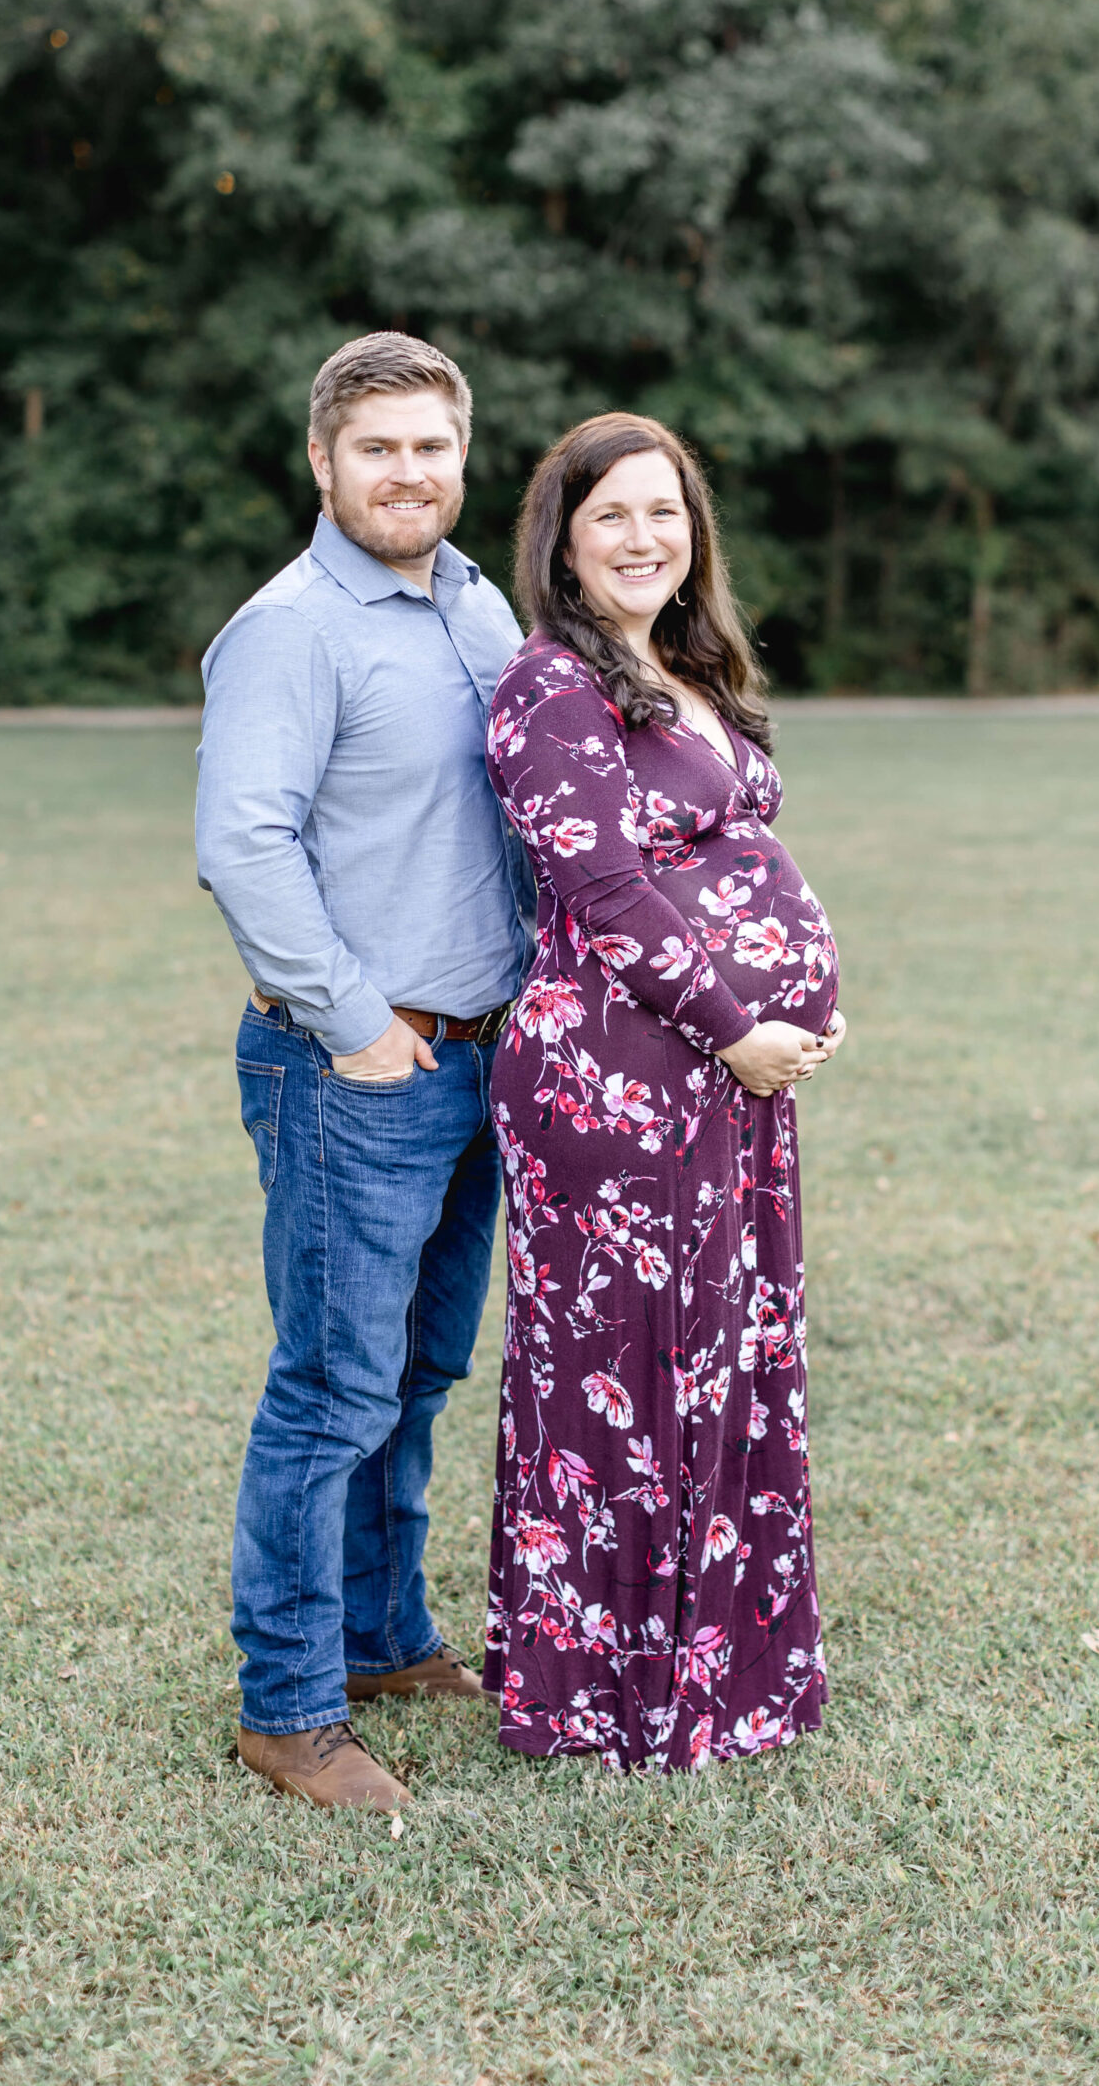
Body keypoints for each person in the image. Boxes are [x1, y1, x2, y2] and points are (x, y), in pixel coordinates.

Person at [195, 332, 531, 1813]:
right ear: (322, 462)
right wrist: (355, 1024)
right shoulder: (291, 630)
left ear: (464, 460)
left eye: (432, 448)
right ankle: (289, 1708)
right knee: (332, 1390)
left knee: (418, 1373)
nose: (410, 473)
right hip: (356, 1068)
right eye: (378, 448)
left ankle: (389, 1641)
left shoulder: (474, 604)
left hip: (483, 1063)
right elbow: (241, 844)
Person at [480, 413, 845, 1774]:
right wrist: (741, 1020)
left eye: (666, 512)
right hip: (615, 1080)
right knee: (625, 1379)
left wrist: (801, 1001)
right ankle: (611, 1699)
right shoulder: (547, 687)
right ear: (563, 543)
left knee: (724, 1358)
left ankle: (723, 1674)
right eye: (612, 516)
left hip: (729, 1077)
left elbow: (741, 855)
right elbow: (608, 890)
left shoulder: (686, 666)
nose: (645, 538)